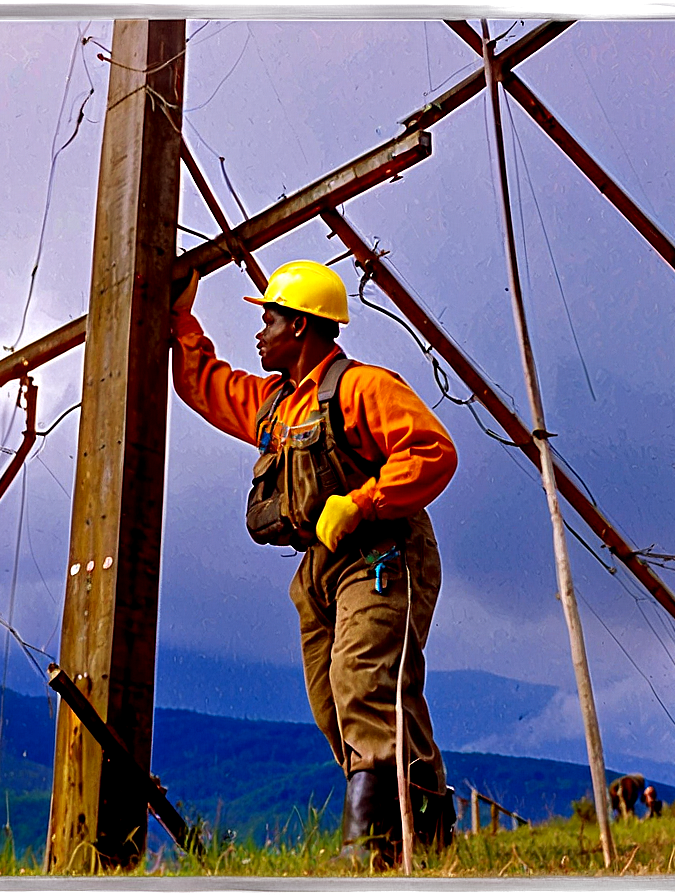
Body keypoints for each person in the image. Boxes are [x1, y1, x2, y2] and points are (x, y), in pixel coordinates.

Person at [169, 260, 458, 866]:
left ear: (300, 326)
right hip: (320, 568)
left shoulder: (363, 388)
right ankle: (428, 837)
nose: (260, 332)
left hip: (382, 553)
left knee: (364, 686)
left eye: (268, 318)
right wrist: (179, 316)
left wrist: (361, 502)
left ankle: (370, 856)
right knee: (334, 707)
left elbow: (433, 450)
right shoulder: (275, 405)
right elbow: (205, 384)